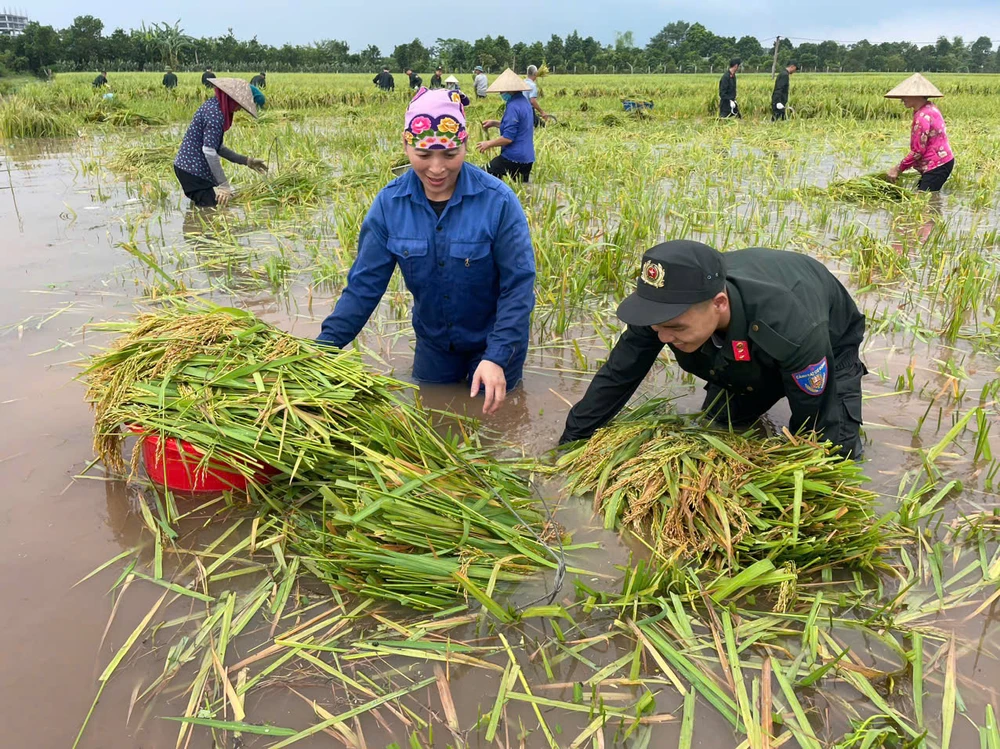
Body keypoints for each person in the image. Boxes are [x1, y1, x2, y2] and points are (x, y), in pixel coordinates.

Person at [317, 88, 535, 416]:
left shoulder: (499, 201)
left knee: (492, 428)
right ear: (406, 146)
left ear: (465, 144)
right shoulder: (390, 204)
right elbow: (363, 288)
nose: (436, 168)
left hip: (494, 342)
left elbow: (518, 287)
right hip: (435, 344)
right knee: (432, 418)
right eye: (423, 154)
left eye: (449, 155)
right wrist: (320, 351)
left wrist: (496, 356)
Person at [560, 240, 867, 459]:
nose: (663, 338)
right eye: (657, 327)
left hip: (827, 342)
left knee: (835, 453)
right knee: (721, 423)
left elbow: (814, 426)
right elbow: (618, 376)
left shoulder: (792, 326)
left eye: (676, 328)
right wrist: (570, 444)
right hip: (747, 342)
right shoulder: (661, 311)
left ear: (719, 303)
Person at [173, 78, 268, 208]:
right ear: (231, 99)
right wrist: (224, 185)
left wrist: (247, 161)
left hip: (189, 169)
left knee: (202, 211)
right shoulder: (215, 114)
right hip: (192, 171)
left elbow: (218, 147)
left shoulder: (214, 106)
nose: (239, 109)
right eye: (239, 104)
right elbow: (209, 152)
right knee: (211, 213)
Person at [884, 74, 955, 193]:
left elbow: (918, 151)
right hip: (941, 163)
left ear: (916, 95)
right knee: (925, 199)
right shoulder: (929, 108)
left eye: (905, 96)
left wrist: (898, 169)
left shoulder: (922, 116)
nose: (902, 99)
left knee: (923, 202)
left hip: (937, 165)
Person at [478, 68, 535, 183]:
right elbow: (518, 127)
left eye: (502, 91)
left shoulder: (513, 106)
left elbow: (508, 138)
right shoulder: (525, 102)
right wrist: (494, 123)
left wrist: (488, 144)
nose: (501, 94)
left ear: (509, 90)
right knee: (521, 190)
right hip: (528, 158)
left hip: (513, 158)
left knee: (482, 176)